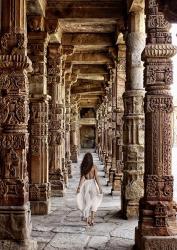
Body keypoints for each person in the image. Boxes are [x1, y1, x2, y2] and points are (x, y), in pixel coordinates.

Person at [76, 152, 103, 226]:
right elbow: (96, 178)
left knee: (87, 202)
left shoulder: (83, 167)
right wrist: (100, 187)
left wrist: (79, 187)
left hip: (86, 185)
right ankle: (92, 220)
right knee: (94, 202)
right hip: (93, 185)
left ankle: (87, 219)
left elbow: (82, 178)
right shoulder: (94, 167)